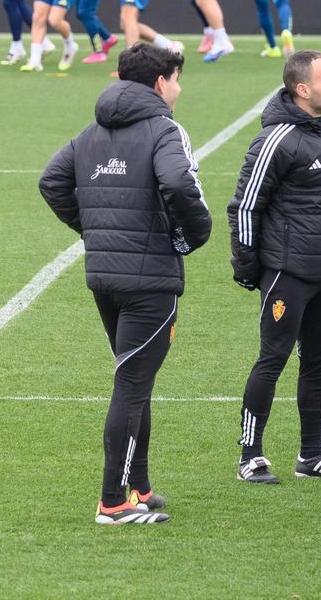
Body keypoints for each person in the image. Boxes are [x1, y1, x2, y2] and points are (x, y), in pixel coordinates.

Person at [39, 43, 211, 524]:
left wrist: (96, 231)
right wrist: (193, 235)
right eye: (176, 79)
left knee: (136, 378)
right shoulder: (164, 130)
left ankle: (139, 485)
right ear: (160, 83)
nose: (178, 88)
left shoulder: (91, 131)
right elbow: (179, 184)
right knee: (132, 385)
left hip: (104, 276)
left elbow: (51, 180)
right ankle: (113, 502)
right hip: (149, 279)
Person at [227, 50, 321, 484]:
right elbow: (245, 207)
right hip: (286, 272)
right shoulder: (275, 140)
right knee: (273, 359)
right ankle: (250, 455)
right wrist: (249, 268)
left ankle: (311, 454)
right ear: (304, 90)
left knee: (318, 362)